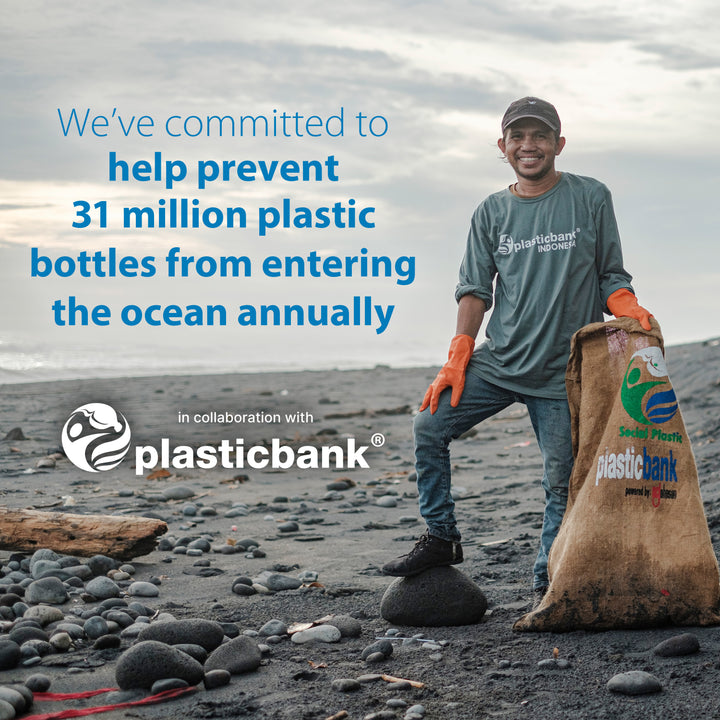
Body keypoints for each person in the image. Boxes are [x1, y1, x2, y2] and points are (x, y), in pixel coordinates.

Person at [381, 97, 652, 607]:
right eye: (517, 137)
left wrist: (626, 305)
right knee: (429, 425)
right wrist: (458, 355)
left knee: (559, 480)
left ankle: (545, 579)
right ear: (503, 147)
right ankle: (441, 537)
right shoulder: (491, 211)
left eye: (539, 136)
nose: (529, 146)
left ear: (559, 144)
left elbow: (610, 272)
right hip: (500, 362)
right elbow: (474, 289)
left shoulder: (590, 196)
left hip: (562, 374)